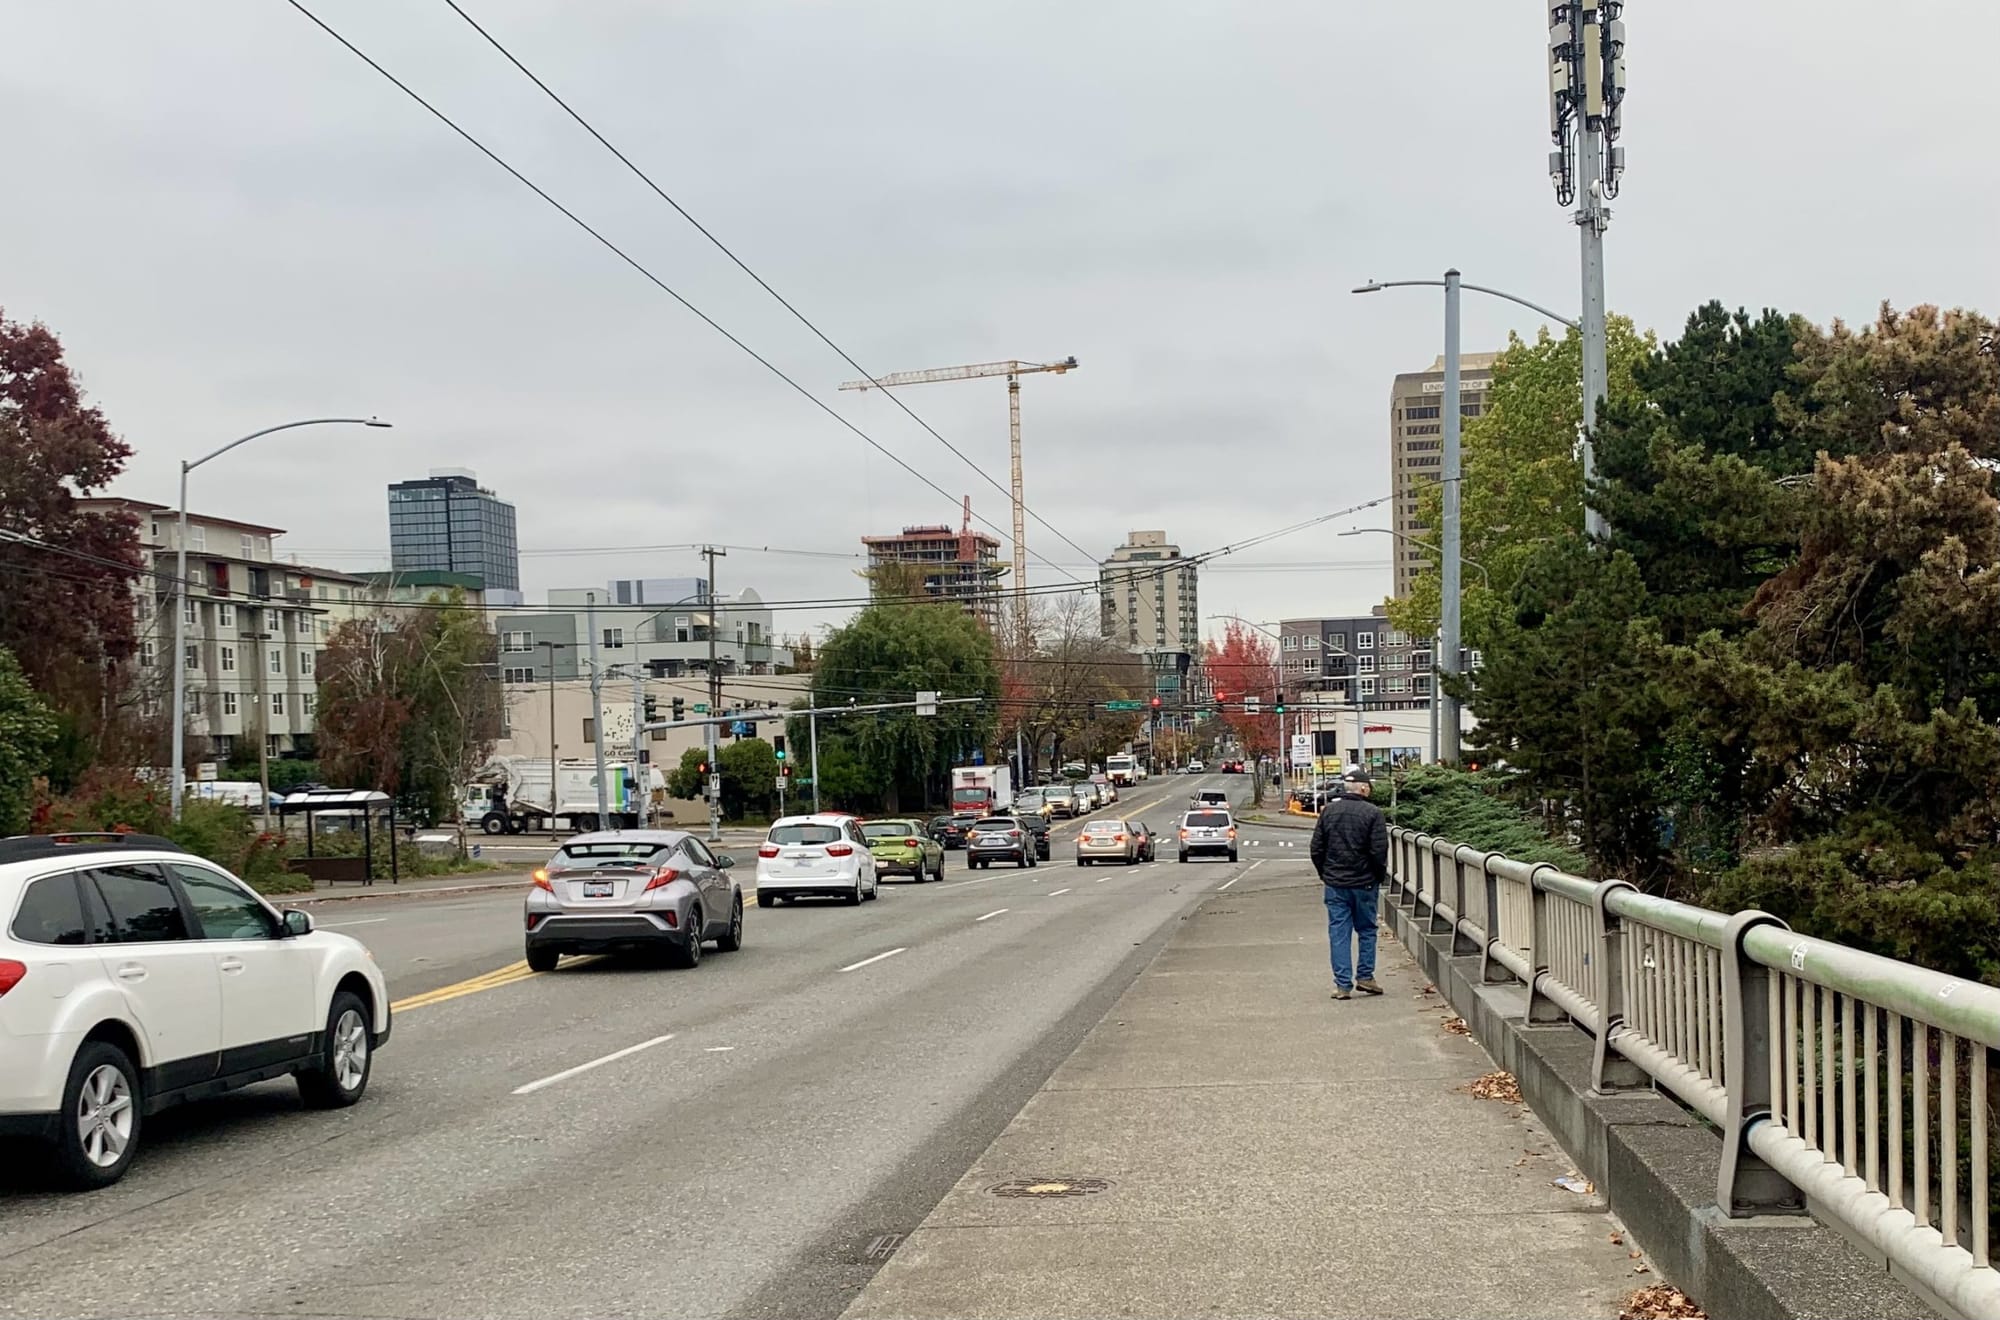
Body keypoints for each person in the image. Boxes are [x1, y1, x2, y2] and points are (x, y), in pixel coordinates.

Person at [1308, 766, 1388, 1000]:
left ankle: (1342, 985)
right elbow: (1378, 851)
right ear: (1363, 788)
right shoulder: (1373, 813)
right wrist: (1377, 876)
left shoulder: (1328, 812)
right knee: (1367, 930)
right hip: (1364, 883)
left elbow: (1316, 848)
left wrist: (1326, 874)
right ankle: (1365, 976)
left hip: (1335, 883)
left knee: (1339, 932)